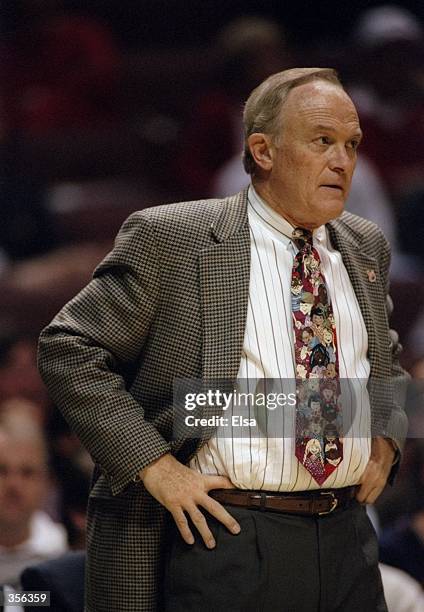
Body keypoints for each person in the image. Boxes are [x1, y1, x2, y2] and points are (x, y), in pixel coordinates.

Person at [38, 68, 408, 612]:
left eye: (351, 144)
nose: (343, 160)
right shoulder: (176, 237)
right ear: (263, 150)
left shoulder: (364, 244)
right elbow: (68, 348)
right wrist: (155, 466)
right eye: (322, 141)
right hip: (227, 535)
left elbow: (388, 359)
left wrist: (387, 435)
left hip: (347, 536)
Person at [0, 406, 68, 589]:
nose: (14, 485)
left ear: (46, 482)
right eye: (2, 470)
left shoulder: (61, 553)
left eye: (27, 472)